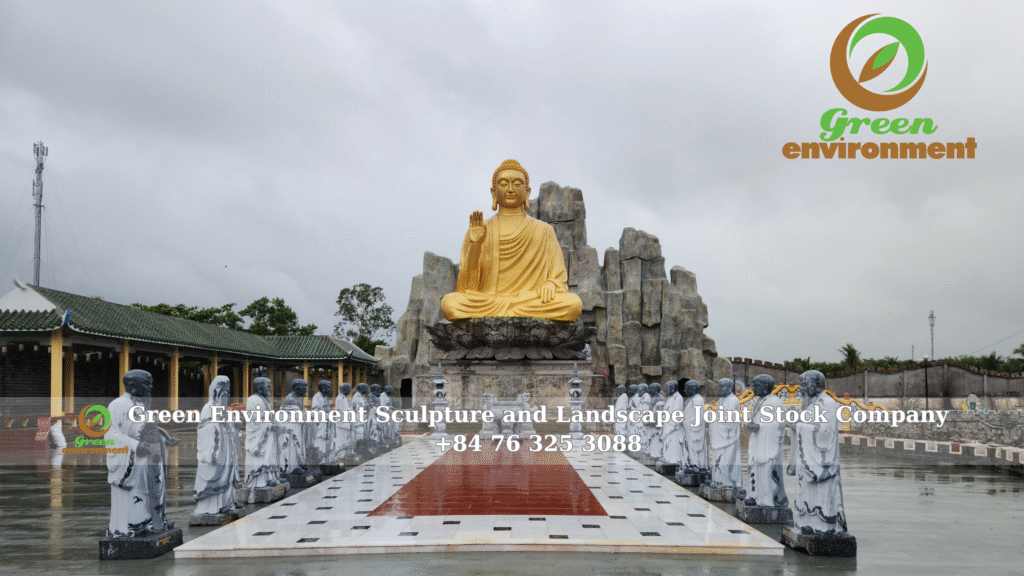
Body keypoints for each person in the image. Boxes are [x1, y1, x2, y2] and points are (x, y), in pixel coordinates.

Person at [440, 159, 582, 321]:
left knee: (573, 304)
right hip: (489, 301)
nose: (510, 189)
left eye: (516, 184)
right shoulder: (479, 228)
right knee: (450, 303)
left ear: (527, 192)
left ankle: (509, 311)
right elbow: (467, 288)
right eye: (503, 184)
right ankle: (514, 312)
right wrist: (475, 245)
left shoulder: (544, 230)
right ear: (493, 192)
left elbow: (558, 278)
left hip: (529, 300)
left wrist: (550, 284)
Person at [105, 369, 179, 537]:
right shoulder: (118, 405)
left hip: (147, 459)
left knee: (146, 492)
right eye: (147, 383)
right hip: (130, 460)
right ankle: (127, 527)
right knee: (132, 494)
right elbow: (111, 434)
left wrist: (165, 439)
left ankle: (147, 522)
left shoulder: (139, 406)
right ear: (132, 385)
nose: (151, 387)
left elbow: (148, 429)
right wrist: (135, 445)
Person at [788, 370, 848, 534]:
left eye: (805, 384)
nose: (802, 388)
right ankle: (807, 521)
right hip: (807, 458)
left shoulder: (826, 403)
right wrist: (796, 424)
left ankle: (824, 525)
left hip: (821, 460)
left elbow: (825, 432)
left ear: (817, 384)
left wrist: (798, 426)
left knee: (821, 495)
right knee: (806, 492)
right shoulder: (811, 404)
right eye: (802, 385)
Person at [193, 375, 241, 516]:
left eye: (228, 393)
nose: (226, 396)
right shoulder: (209, 407)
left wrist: (235, 425)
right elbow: (204, 428)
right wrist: (218, 424)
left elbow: (230, 426)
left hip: (227, 449)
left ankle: (229, 501)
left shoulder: (224, 409)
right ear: (216, 392)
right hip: (216, 449)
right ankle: (215, 506)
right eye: (223, 393)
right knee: (218, 476)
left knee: (229, 475)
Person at [745, 374, 788, 508]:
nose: (752, 388)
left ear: (764, 386)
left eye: (755, 385)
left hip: (768, 445)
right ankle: (754, 496)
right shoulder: (759, 401)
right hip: (758, 442)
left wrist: (760, 427)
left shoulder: (774, 402)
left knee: (765, 472)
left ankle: (767, 500)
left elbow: (780, 424)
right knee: (755, 469)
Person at [244, 377, 282, 491]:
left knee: (270, 457)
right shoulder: (253, 400)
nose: (270, 389)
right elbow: (255, 419)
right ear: (260, 387)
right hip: (259, 435)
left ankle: (270, 477)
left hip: (268, 433)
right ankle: (259, 481)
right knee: (262, 457)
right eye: (268, 387)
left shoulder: (265, 400)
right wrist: (270, 425)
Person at [708, 378, 742, 490]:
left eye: (722, 387)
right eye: (719, 386)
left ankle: (727, 482)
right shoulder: (722, 400)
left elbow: (730, 421)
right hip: (720, 435)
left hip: (728, 436)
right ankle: (718, 480)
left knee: (727, 460)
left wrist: (714, 421)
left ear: (729, 388)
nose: (719, 389)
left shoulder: (733, 400)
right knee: (719, 459)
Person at [278, 379, 309, 474]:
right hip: (291, 427)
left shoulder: (299, 397)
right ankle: (292, 466)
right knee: (293, 445)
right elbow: (297, 416)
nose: (306, 390)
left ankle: (298, 464)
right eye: (304, 388)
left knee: (298, 445)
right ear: (297, 388)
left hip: (297, 426)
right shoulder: (291, 399)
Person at [681, 380, 708, 474]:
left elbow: (698, 417)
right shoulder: (690, 399)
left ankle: (698, 466)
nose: (684, 391)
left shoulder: (698, 399)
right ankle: (691, 464)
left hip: (694, 430)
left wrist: (685, 422)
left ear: (693, 389)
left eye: (686, 388)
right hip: (689, 430)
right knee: (689, 448)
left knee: (695, 449)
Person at [660, 381, 685, 467]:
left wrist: (672, 425)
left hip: (674, 427)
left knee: (673, 444)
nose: (666, 389)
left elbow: (677, 415)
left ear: (673, 388)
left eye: (667, 387)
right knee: (668, 443)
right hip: (667, 425)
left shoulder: (678, 398)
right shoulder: (670, 398)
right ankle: (667, 458)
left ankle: (674, 460)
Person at [311, 380, 334, 466]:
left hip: (328, 425)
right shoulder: (316, 397)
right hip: (321, 426)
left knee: (329, 444)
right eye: (329, 387)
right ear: (323, 388)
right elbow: (315, 413)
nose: (330, 389)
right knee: (321, 444)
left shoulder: (325, 398)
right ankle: (321, 462)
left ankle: (327, 461)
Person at [333, 383, 355, 460]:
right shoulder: (340, 399)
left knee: (347, 440)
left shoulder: (346, 398)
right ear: (344, 389)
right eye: (349, 389)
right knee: (342, 440)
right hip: (342, 424)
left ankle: (346, 453)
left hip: (347, 423)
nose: (350, 391)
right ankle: (340, 455)